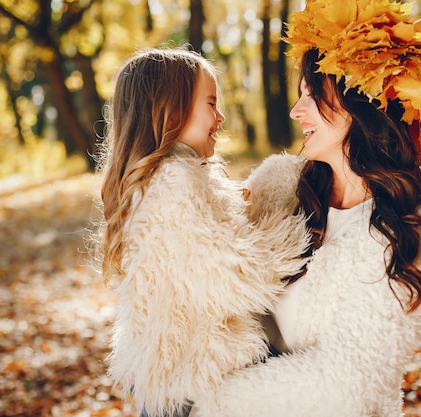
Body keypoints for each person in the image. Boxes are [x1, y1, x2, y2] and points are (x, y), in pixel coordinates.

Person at [190, 0, 421, 416]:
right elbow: (195, 251)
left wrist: (205, 401)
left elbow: (345, 387)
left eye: (312, 95)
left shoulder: (408, 229)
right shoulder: (281, 185)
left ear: (360, 103)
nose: (295, 111)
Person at [94, 47, 310, 417]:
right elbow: (241, 275)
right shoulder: (173, 185)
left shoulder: (173, 180)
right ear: (171, 110)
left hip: (179, 375)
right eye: (211, 103)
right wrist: (290, 214)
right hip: (188, 386)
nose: (221, 116)